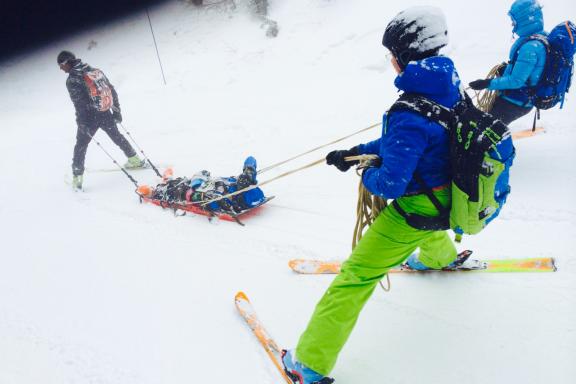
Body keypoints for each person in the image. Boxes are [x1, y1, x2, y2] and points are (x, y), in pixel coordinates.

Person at [281, 7, 468, 383]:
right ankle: (439, 258)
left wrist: (366, 171)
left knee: (354, 277)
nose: (392, 62)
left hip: (420, 204)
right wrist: (352, 153)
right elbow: (409, 144)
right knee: (423, 222)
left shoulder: (408, 110)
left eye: (392, 55)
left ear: (402, 56)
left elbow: (391, 183)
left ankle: (310, 365)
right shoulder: (449, 86)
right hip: (454, 196)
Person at [58, 50, 145, 190]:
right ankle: (134, 160)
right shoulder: (93, 71)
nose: (61, 69)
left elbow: (79, 105)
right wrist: (116, 111)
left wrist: (82, 124)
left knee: (80, 146)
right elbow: (111, 90)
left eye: (61, 66)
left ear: (66, 63)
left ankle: (77, 179)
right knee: (117, 136)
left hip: (89, 118)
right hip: (104, 112)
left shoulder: (72, 80)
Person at [469, 0, 547, 124]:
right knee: (488, 128)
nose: (512, 24)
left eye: (514, 21)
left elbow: (516, 81)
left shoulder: (530, 48)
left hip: (514, 102)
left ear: (524, 20)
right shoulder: (542, 38)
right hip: (521, 100)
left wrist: (486, 83)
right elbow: (531, 71)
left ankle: (503, 142)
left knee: (487, 134)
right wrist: (506, 70)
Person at [138, 156, 266, 214]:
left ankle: (156, 188)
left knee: (182, 189)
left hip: (229, 195)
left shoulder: (179, 189)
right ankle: (246, 177)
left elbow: (203, 197)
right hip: (233, 190)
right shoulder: (248, 188)